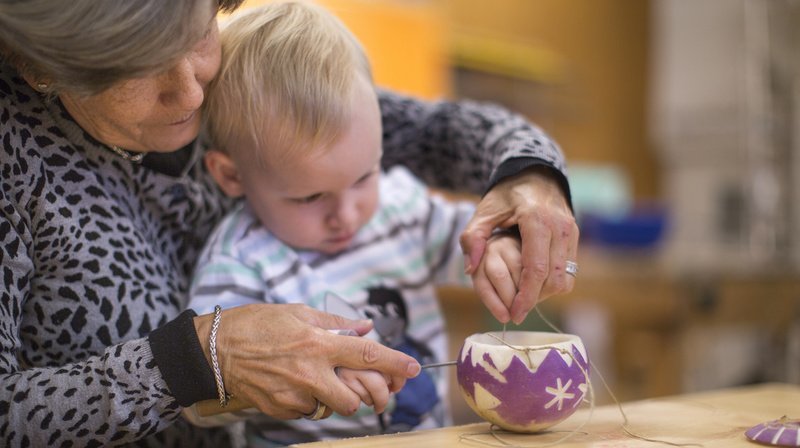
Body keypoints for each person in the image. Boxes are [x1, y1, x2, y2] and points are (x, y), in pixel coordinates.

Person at [0, 0, 577, 446]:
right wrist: (198, 360)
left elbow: (437, 133)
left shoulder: (249, 90)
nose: (194, 87)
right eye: (131, 67)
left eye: (198, 31)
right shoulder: (15, 153)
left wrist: (530, 175)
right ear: (42, 70)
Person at [185, 2, 528, 444]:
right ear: (232, 176)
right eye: (310, 197)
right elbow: (199, 407)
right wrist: (300, 376)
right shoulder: (238, 264)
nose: (346, 215)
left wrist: (501, 248)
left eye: (364, 176)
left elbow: (476, 241)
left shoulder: (399, 205)